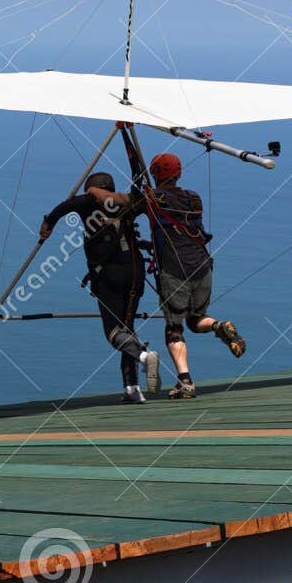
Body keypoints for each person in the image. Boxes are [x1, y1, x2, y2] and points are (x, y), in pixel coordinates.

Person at [86, 152, 244, 400]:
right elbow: (178, 229)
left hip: (175, 271)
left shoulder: (152, 199)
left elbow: (120, 201)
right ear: (179, 173)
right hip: (202, 266)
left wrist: (96, 193)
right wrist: (152, 243)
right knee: (195, 319)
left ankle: (186, 382)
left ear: (157, 174)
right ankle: (218, 326)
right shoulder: (194, 199)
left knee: (174, 329)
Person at [38, 172, 161, 403]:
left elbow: (68, 205)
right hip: (135, 272)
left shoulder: (90, 202)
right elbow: (151, 210)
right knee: (128, 328)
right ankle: (132, 389)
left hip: (108, 274)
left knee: (113, 332)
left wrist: (48, 223)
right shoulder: (128, 204)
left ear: (92, 189)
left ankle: (144, 356)